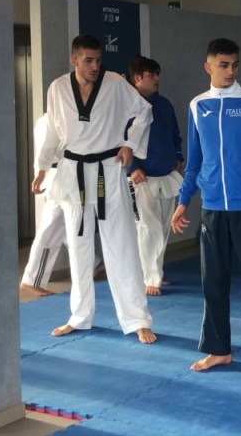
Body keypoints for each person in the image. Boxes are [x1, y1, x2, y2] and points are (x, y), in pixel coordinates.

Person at [170, 37, 241, 385]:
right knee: (213, 283)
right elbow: (194, 163)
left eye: (235, 65)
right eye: (223, 65)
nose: (230, 71)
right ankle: (219, 349)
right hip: (212, 209)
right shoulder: (197, 106)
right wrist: (183, 202)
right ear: (209, 66)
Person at [33, 34, 156, 343]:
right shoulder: (58, 88)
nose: (94, 66)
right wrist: (42, 168)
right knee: (79, 248)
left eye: (98, 60)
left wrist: (130, 144)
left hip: (108, 170)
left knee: (122, 245)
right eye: (88, 60)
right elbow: (52, 131)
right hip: (73, 172)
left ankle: (137, 319)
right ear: (74, 60)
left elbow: (144, 112)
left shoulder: (115, 83)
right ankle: (80, 316)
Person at [126, 56, 184, 296]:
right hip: (142, 177)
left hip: (166, 173)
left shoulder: (164, 104)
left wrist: (178, 156)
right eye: (152, 75)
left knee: (163, 227)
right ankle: (149, 277)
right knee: (148, 228)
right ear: (138, 78)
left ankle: (156, 272)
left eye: (157, 74)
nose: (157, 79)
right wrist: (133, 167)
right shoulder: (128, 105)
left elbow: (175, 134)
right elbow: (121, 140)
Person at [20, 113, 67, 296]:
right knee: (51, 229)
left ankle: (94, 263)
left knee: (63, 228)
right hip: (58, 178)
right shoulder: (51, 119)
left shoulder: (55, 117)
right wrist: (40, 175)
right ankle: (32, 280)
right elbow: (44, 152)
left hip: (61, 175)